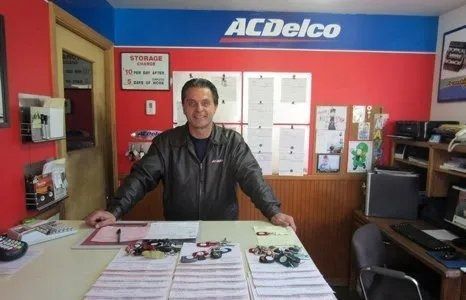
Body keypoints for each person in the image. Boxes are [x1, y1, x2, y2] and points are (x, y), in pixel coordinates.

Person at [85, 78, 296, 231]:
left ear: (215, 106)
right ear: (184, 107)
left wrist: (273, 211)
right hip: (178, 229)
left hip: (222, 229)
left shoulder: (232, 142)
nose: (199, 109)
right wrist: (115, 211)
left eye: (205, 103)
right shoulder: (166, 142)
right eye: (192, 103)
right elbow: (141, 178)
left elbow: (253, 178)